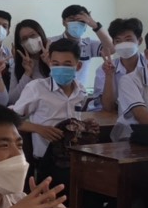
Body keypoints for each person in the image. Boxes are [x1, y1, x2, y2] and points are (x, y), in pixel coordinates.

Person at [11, 38, 89, 183]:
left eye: (67, 64)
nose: (60, 68)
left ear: (78, 66)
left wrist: (85, 125)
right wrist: (38, 129)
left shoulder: (81, 91)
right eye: (55, 64)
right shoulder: (37, 88)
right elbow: (10, 120)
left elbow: (75, 120)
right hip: (46, 161)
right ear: (50, 63)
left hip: (73, 157)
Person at [49, 4, 115, 61]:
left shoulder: (89, 44)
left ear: (86, 24)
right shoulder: (50, 42)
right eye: (72, 19)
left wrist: (95, 26)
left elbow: (111, 49)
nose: (76, 23)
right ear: (64, 22)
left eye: (81, 21)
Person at [9, 19, 50, 103]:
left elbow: (65, 90)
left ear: (40, 35)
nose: (29, 41)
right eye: (24, 39)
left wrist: (51, 65)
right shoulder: (19, 65)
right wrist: (27, 74)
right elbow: (12, 99)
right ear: (20, 44)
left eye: (33, 35)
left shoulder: (56, 58)